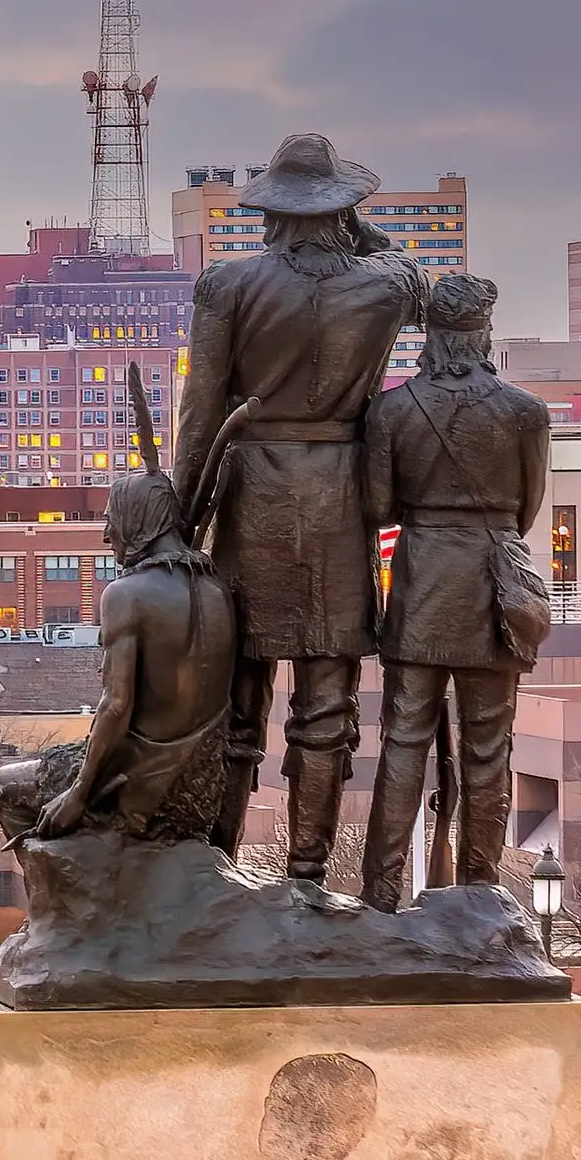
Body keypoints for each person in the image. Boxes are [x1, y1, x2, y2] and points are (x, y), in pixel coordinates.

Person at [174, 131, 429, 891]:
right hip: (342, 496)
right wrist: (356, 232)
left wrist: (183, 520)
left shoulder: (229, 285)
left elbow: (199, 414)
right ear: (343, 210)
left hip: (253, 490)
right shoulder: (386, 284)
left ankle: (216, 865)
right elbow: (403, 266)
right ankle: (308, 877)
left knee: (238, 691)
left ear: (270, 211)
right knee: (328, 698)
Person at [359, 274, 553, 909]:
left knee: (403, 739)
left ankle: (382, 891)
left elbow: (380, 506)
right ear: (485, 335)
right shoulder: (525, 412)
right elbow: (525, 510)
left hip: (420, 583)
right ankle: (479, 889)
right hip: (494, 584)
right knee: (489, 745)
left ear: (431, 337)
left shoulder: (392, 410)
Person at [29, 466, 240, 846]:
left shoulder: (126, 593)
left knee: (5, 789)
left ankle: (85, 895)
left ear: (138, 518)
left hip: (142, 788)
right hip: (205, 792)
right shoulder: (218, 590)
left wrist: (78, 793)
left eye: (113, 519)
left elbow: (116, 705)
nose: (107, 534)